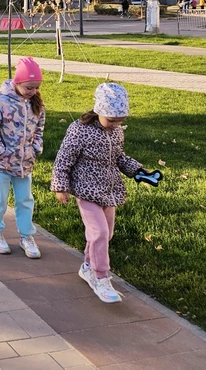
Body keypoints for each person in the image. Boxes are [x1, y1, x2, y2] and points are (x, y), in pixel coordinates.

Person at [50, 83, 160, 304]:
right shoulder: (79, 130)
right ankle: (101, 278)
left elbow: (119, 158)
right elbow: (63, 159)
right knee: (99, 233)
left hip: (109, 191)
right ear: (98, 110)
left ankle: (88, 267)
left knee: (106, 234)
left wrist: (139, 172)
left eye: (120, 121)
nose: (116, 125)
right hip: (86, 190)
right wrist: (60, 186)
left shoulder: (116, 131)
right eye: (111, 120)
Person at [0, 57, 46, 258]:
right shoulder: (1, 102)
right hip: (2, 163)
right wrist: (0, 151)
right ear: (17, 83)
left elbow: (39, 129)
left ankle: (26, 236)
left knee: (25, 200)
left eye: (36, 87)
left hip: (24, 164)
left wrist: (35, 147)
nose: (33, 91)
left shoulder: (37, 104)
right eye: (29, 87)